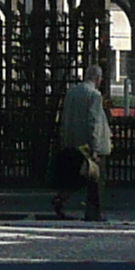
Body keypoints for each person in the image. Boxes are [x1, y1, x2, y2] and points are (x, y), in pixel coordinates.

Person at [54, 73, 111, 221]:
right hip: (88, 145)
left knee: (73, 175)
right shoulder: (94, 95)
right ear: (98, 79)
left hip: (73, 141)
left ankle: (61, 198)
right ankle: (93, 213)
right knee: (96, 180)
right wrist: (96, 147)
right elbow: (94, 122)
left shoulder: (71, 92)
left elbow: (65, 116)